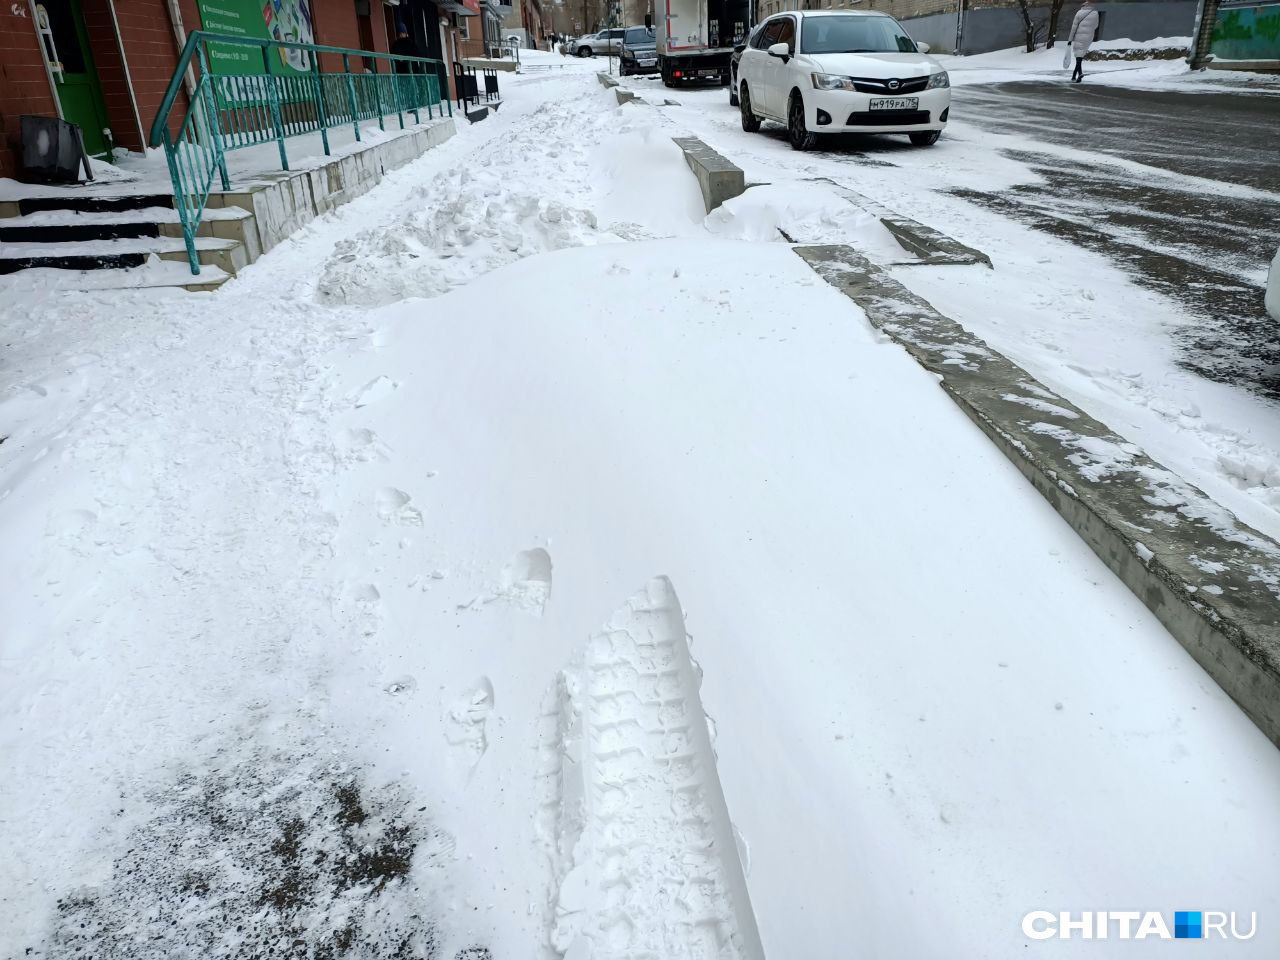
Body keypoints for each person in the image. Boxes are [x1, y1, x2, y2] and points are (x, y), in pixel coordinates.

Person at [1067, 0, 1100, 83]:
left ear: (1084, 5)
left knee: (1078, 56)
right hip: (1088, 37)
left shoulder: (1079, 13)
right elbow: (1096, 26)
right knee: (1080, 56)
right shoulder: (1095, 13)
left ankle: (1080, 73)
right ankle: (1074, 75)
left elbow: (1074, 27)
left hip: (1079, 36)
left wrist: (1070, 40)